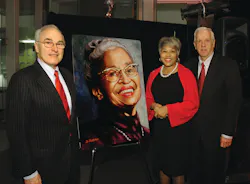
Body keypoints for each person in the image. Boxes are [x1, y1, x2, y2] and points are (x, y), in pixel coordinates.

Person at [6, 24, 80, 184]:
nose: (55, 48)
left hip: (70, 165)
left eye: (60, 43)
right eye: (48, 42)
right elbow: (16, 132)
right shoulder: (23, 80)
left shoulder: (67, 76)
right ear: (36, 47)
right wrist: (28, 173)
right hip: (41, 169)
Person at [185, 27, 242, 184]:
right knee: (194, 176)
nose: (203, 45)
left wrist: (228, 133)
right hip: (192, 136)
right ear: (194, 44)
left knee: (214, 177)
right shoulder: (187, 67)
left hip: (217, 137)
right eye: (199, 41)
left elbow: (234, 101)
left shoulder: (228, 65)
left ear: (214, 43)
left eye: (207, 41)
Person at [146, 36, 199, 184]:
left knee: (177, 170)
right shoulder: (153, 74)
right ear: (159, 53)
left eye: (172, 51)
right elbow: (147, 98)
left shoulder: (186, 74)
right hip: (160, 130)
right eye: (164, 51)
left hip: (179, 131)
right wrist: (154, 106)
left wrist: (168, 110)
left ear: (178, 54)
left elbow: (192, 103)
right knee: (162, 168)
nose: (168, 55)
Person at [81, 38, 150, 150]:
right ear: (97, 91)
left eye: (129, 69)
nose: (126, 80)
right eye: (113, 73)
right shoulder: (91, 141)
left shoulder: (147, 133)